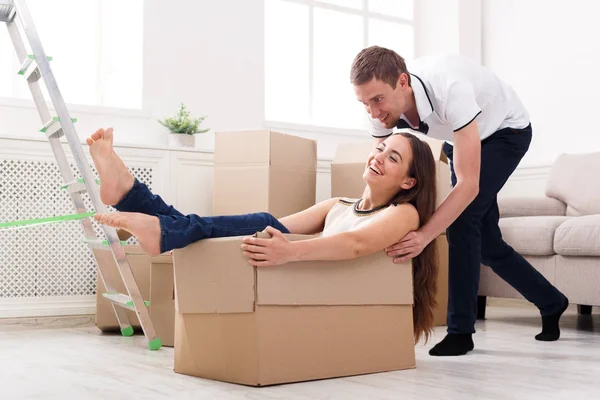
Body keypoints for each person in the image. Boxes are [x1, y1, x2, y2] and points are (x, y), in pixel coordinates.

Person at [87, 127, 439, 343]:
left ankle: (137, 202)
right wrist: (274, 240)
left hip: (329, 293)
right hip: (306, 280)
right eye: (380, 149)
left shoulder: (404, 213)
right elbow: (273, 228)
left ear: (408, 181)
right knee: (249, 224)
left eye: (393, 158)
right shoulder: (339, 204)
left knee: (219, 228)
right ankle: (132, 197)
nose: (379, 157)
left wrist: (292, 252)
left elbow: (356, 244)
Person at [350, 46, 569, 356]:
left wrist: (425, 235)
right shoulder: (381, 112)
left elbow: (468, 185)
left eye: (377, 100)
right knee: (489, 243)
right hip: (461, 135)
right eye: (364, 103)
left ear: (402, 82)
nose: (372, 113)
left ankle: (460, 332)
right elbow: (381, 177)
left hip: (505, 132)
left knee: (463, 221)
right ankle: (551, 301)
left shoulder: (450, 88)